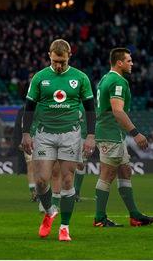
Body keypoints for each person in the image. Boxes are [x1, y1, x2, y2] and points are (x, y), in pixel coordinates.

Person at [20, 39, 96, 242]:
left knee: (68, 179)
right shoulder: (40, 78)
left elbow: (90, 108)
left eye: (62, 61)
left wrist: (90, 135)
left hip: (70, 134)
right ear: (49, 56)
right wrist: (26, 133)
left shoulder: (80, 78)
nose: (58, 65)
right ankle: (50, 211)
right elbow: (29, 107)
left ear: (69, 55)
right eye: (55, 61)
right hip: (44, 134)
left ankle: (64, 227)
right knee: (41, 180)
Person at [94, 47, 153, 227]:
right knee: (107, 173)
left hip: (113, 133)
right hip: (110, 133)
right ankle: (99, 218)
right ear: (119, 62)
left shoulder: (106, 78)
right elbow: (117, 111)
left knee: (125, 171)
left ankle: (135, 215)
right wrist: (136, 133)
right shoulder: (118, 81)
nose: (132, 64)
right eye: (129, 60)